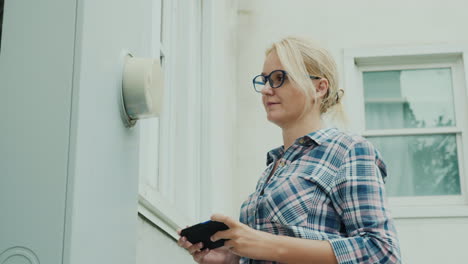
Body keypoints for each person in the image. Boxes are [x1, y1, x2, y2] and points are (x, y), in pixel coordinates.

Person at [177, 36, 401, 264]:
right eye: (264, 80)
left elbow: (381, 252)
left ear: (319, 87)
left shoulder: (349, 151)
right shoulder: (272, 169)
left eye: (278, 78)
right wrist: (233, 259)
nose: (265, 90)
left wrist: (266, 245)